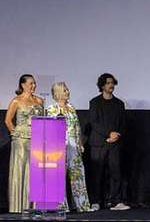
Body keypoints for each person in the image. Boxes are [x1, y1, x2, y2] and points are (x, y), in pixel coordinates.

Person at [47, 82, 92, 212]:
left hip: (74, 145)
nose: (68, 92)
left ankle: (82, 205)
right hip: (59, 145)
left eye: (67, 90)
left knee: (78, 174)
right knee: (59, 175)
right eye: (65, 90)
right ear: (58, 93)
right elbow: (50, 129)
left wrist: (80, 143)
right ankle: (60, 206)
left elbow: (77, 127)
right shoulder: (51, 109)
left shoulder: (71, 107)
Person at [88, 72, 129, 211]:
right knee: (97, 173)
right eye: (108, 83)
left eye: (112, 83)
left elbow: (123, 123)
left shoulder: (119, 104)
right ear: (102, 85)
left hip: (115, 143)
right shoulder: (94, 102)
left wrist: (117, 135)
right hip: (99, 143)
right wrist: (108, 134)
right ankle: (96, 201)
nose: (111, 85)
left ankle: (116, 201)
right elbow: (94, 122)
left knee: (116, 173)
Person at [4, 74, 44, 213]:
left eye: (34, 83)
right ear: (22, 85)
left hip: (37, 139)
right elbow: (8, 120)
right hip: (21, 140)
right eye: (30, 83)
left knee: (35, 172)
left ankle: (34, 206)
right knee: (21, 169)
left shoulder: (39, 100)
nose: (33, 86)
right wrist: (14, 133)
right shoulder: (16, 101)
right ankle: (19, 206)